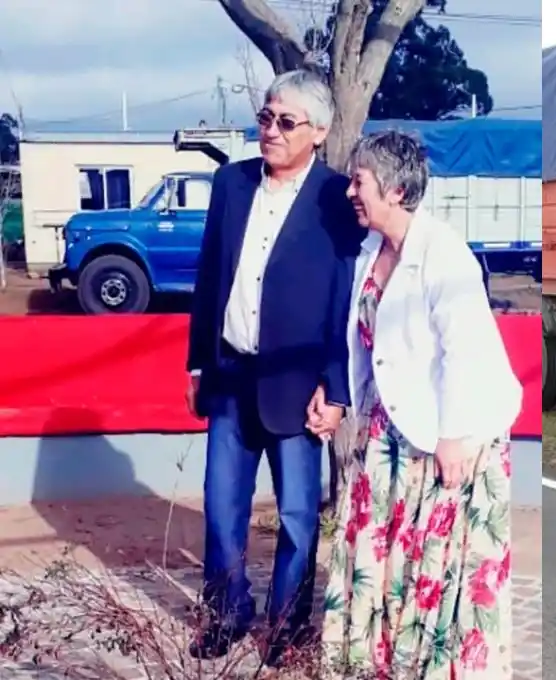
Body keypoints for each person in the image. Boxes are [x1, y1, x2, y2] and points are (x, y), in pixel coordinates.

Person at [318, 130, 523, 679]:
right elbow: (366, 343)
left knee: (437, 562)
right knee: (381, 557)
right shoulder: (370, 252)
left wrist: (453, 437)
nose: (350, 192)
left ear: (394, 189)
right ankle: (377, 662)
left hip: (449, 434)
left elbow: (467, 349)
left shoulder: (443, 253)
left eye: (359, 181)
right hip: (386, 433)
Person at [184, 69, 362, 667]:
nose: (271, 130)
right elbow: (209, 276)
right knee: (220, 508)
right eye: (265, 117)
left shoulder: (337, 199)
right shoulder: (231, 184)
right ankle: (225, 614)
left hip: (298, 386)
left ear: (318, 131)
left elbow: (342, 298)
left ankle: (286, 627)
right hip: (231, 376)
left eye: (286, 121)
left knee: (295, 517)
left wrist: (336, 389)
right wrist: (196, 365)